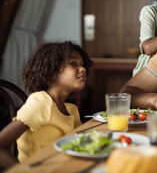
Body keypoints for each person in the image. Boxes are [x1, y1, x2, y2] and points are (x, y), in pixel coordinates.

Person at [0, 41, 93, 169]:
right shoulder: (40, 102)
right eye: (73, 64)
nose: (83, 69)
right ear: (52, 72)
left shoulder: (71, 109)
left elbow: (81, 142)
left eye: (83, 65)